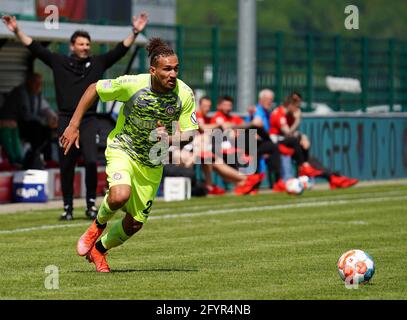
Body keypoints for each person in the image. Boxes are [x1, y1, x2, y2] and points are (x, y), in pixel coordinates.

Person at [59, 38, 199, 272]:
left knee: (134, 224)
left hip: (152, 161)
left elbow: (191, 132)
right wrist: (74, 125)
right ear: (153, 70)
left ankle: (99, 251)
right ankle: (97, 226)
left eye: (176, 68)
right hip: (123, 148)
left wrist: (170, 139)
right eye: (167, 69)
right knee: (119, 196)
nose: (173, 73)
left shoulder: (184, 94)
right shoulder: (133, 84)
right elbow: (94, 88)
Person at [2, 13, 148, 221]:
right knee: (66, 163)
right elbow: (35, 47)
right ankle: (67, 207)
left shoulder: (97, 63)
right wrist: (16, 30)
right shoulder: (59, 61)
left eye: (88, 44)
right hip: (66, 119)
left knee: (90, 160)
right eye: (81, 44)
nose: (85, 47)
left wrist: (134, 32)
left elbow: (119, 51)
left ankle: (90, 204)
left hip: (89, 120)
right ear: (72, 46)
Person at [284, 92, 359, 189]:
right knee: (309, 163)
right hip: (282, 147)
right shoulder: (280, 114)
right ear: (289, 104)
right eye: (296, 105)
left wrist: (302, 136)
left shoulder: (289, 115)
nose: (298, 108)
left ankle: (334, 177)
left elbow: (291, 133)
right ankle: (334, 178)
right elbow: (286, 133)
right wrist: (298, 121)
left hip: (293, 147)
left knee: (313, 161)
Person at [195, 96, 264, 195]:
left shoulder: (209, 118)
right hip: (195, 147)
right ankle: (246, 180)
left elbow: (239, 126)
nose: (208, 108)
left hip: (209, 147)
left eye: (209, 106)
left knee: (215, 160)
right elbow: (203, 128)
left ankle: (242, 182)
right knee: (215, 159)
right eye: (205, 106)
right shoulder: (199, 115)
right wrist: (220, 125)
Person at [0, 73, 57, 166]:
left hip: (20, 124)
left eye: (40, 83)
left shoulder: (36, 94)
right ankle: (31, 158)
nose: (39, 85)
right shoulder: (21, 92)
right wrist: (45, 122)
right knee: (37, 129)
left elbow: (45, 108)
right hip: (12, 123)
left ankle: (46, 159)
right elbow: (26, 116)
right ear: (28, 82)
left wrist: (53, 118)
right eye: (36, 83)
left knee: (46, 131)